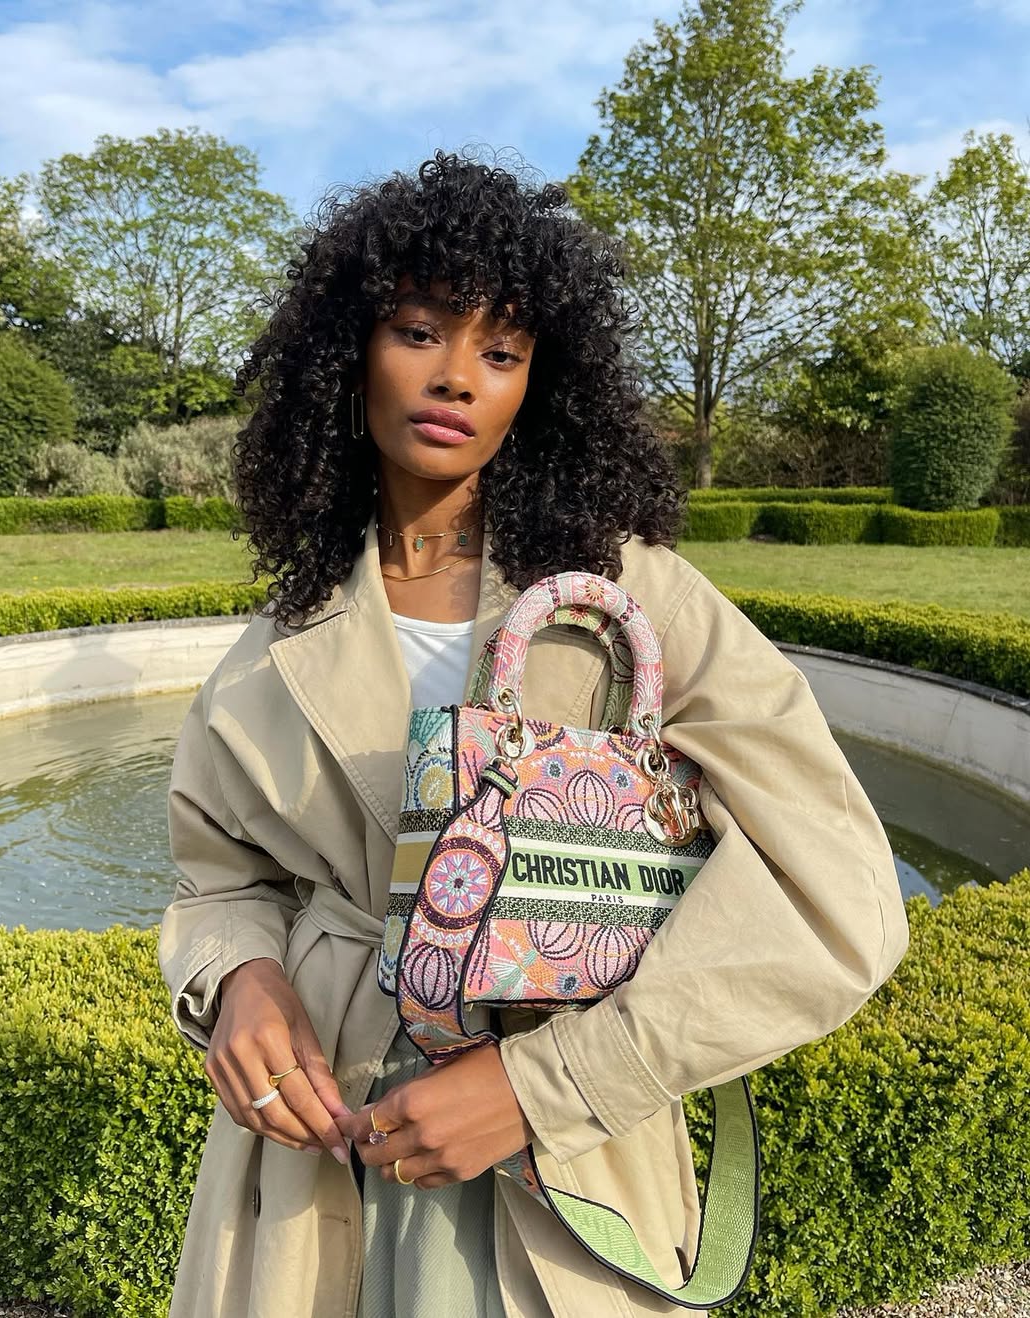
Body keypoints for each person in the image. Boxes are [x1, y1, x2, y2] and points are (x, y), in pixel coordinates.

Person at [157, 148, 910, 1318]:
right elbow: (218, 880)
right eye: (419, 331)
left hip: (566, 1145)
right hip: (311, 1155)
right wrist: (239, 980)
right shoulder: (273, 646)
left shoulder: (633, 607)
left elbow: (840, 889)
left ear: (539, 386)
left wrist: (546, 1084)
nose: (457, 376)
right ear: (344, 355)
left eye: (499, 351)